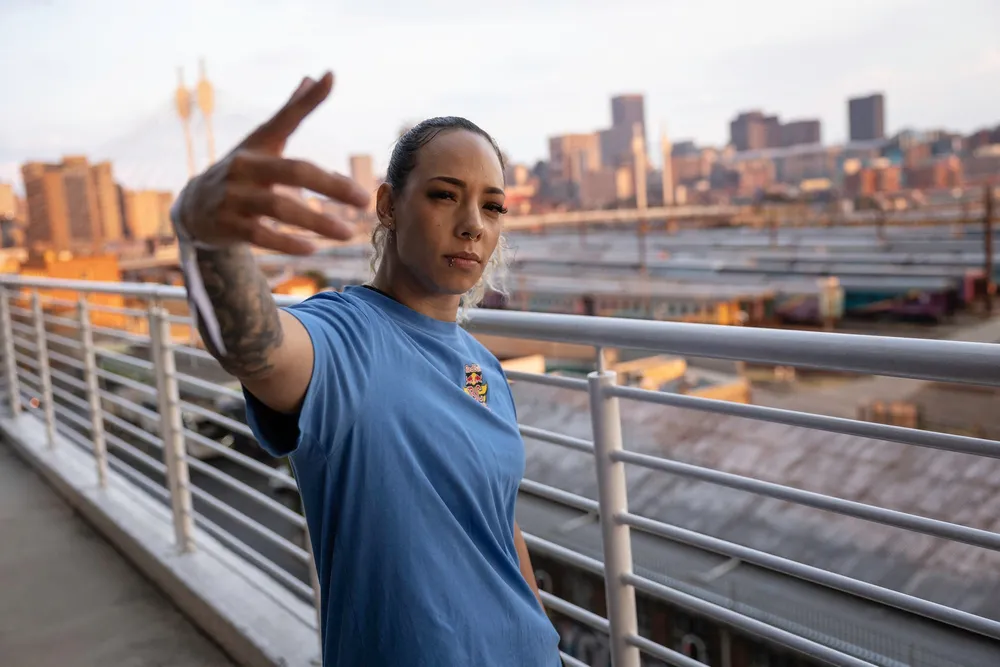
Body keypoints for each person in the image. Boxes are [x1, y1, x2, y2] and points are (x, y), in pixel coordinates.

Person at [170, 71, 562, 666]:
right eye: (443, 194)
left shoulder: (484, 369)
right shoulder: (345, 336)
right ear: (388, 206)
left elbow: (498, 525)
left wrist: (547, 644)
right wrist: (206, 239)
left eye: (493, 205)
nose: (472, 224)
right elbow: (258, 348)